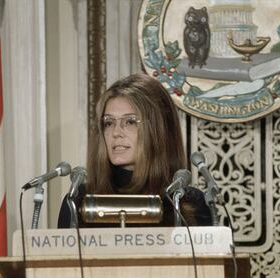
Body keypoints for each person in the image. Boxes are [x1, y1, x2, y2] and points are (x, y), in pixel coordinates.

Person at [57, 73, 212, 228]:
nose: (116, 133)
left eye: (130, 121)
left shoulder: (189, 202)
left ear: (159, 129)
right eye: (109, 123)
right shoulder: (77, 201)